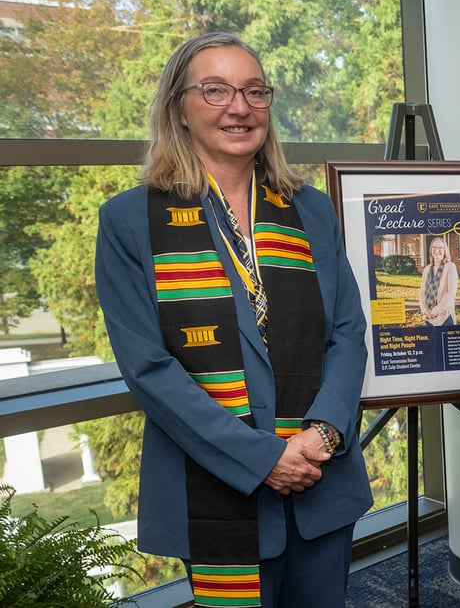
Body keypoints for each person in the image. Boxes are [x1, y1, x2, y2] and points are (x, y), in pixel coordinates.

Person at [95, 32, 371, 607]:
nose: (239, 108)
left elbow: (346, 332)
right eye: (215, 91)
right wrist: (265, 457)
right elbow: (149, 369)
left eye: (253, 91)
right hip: (216, 492)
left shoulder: (310, 208)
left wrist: (322, 434)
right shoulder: (130, 222)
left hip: (321, 480)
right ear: (179, 107)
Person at [418, 236, 459, 326]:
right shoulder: (427, 269)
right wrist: (424, 310)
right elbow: (422, 292)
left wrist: (434, 311)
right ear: (431, 250)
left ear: (445, 251)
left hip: (445, 318)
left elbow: (451, 294)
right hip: (428, 318)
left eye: (440, 247)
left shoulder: (450, 267)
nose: (437, 250)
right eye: (434, 247)